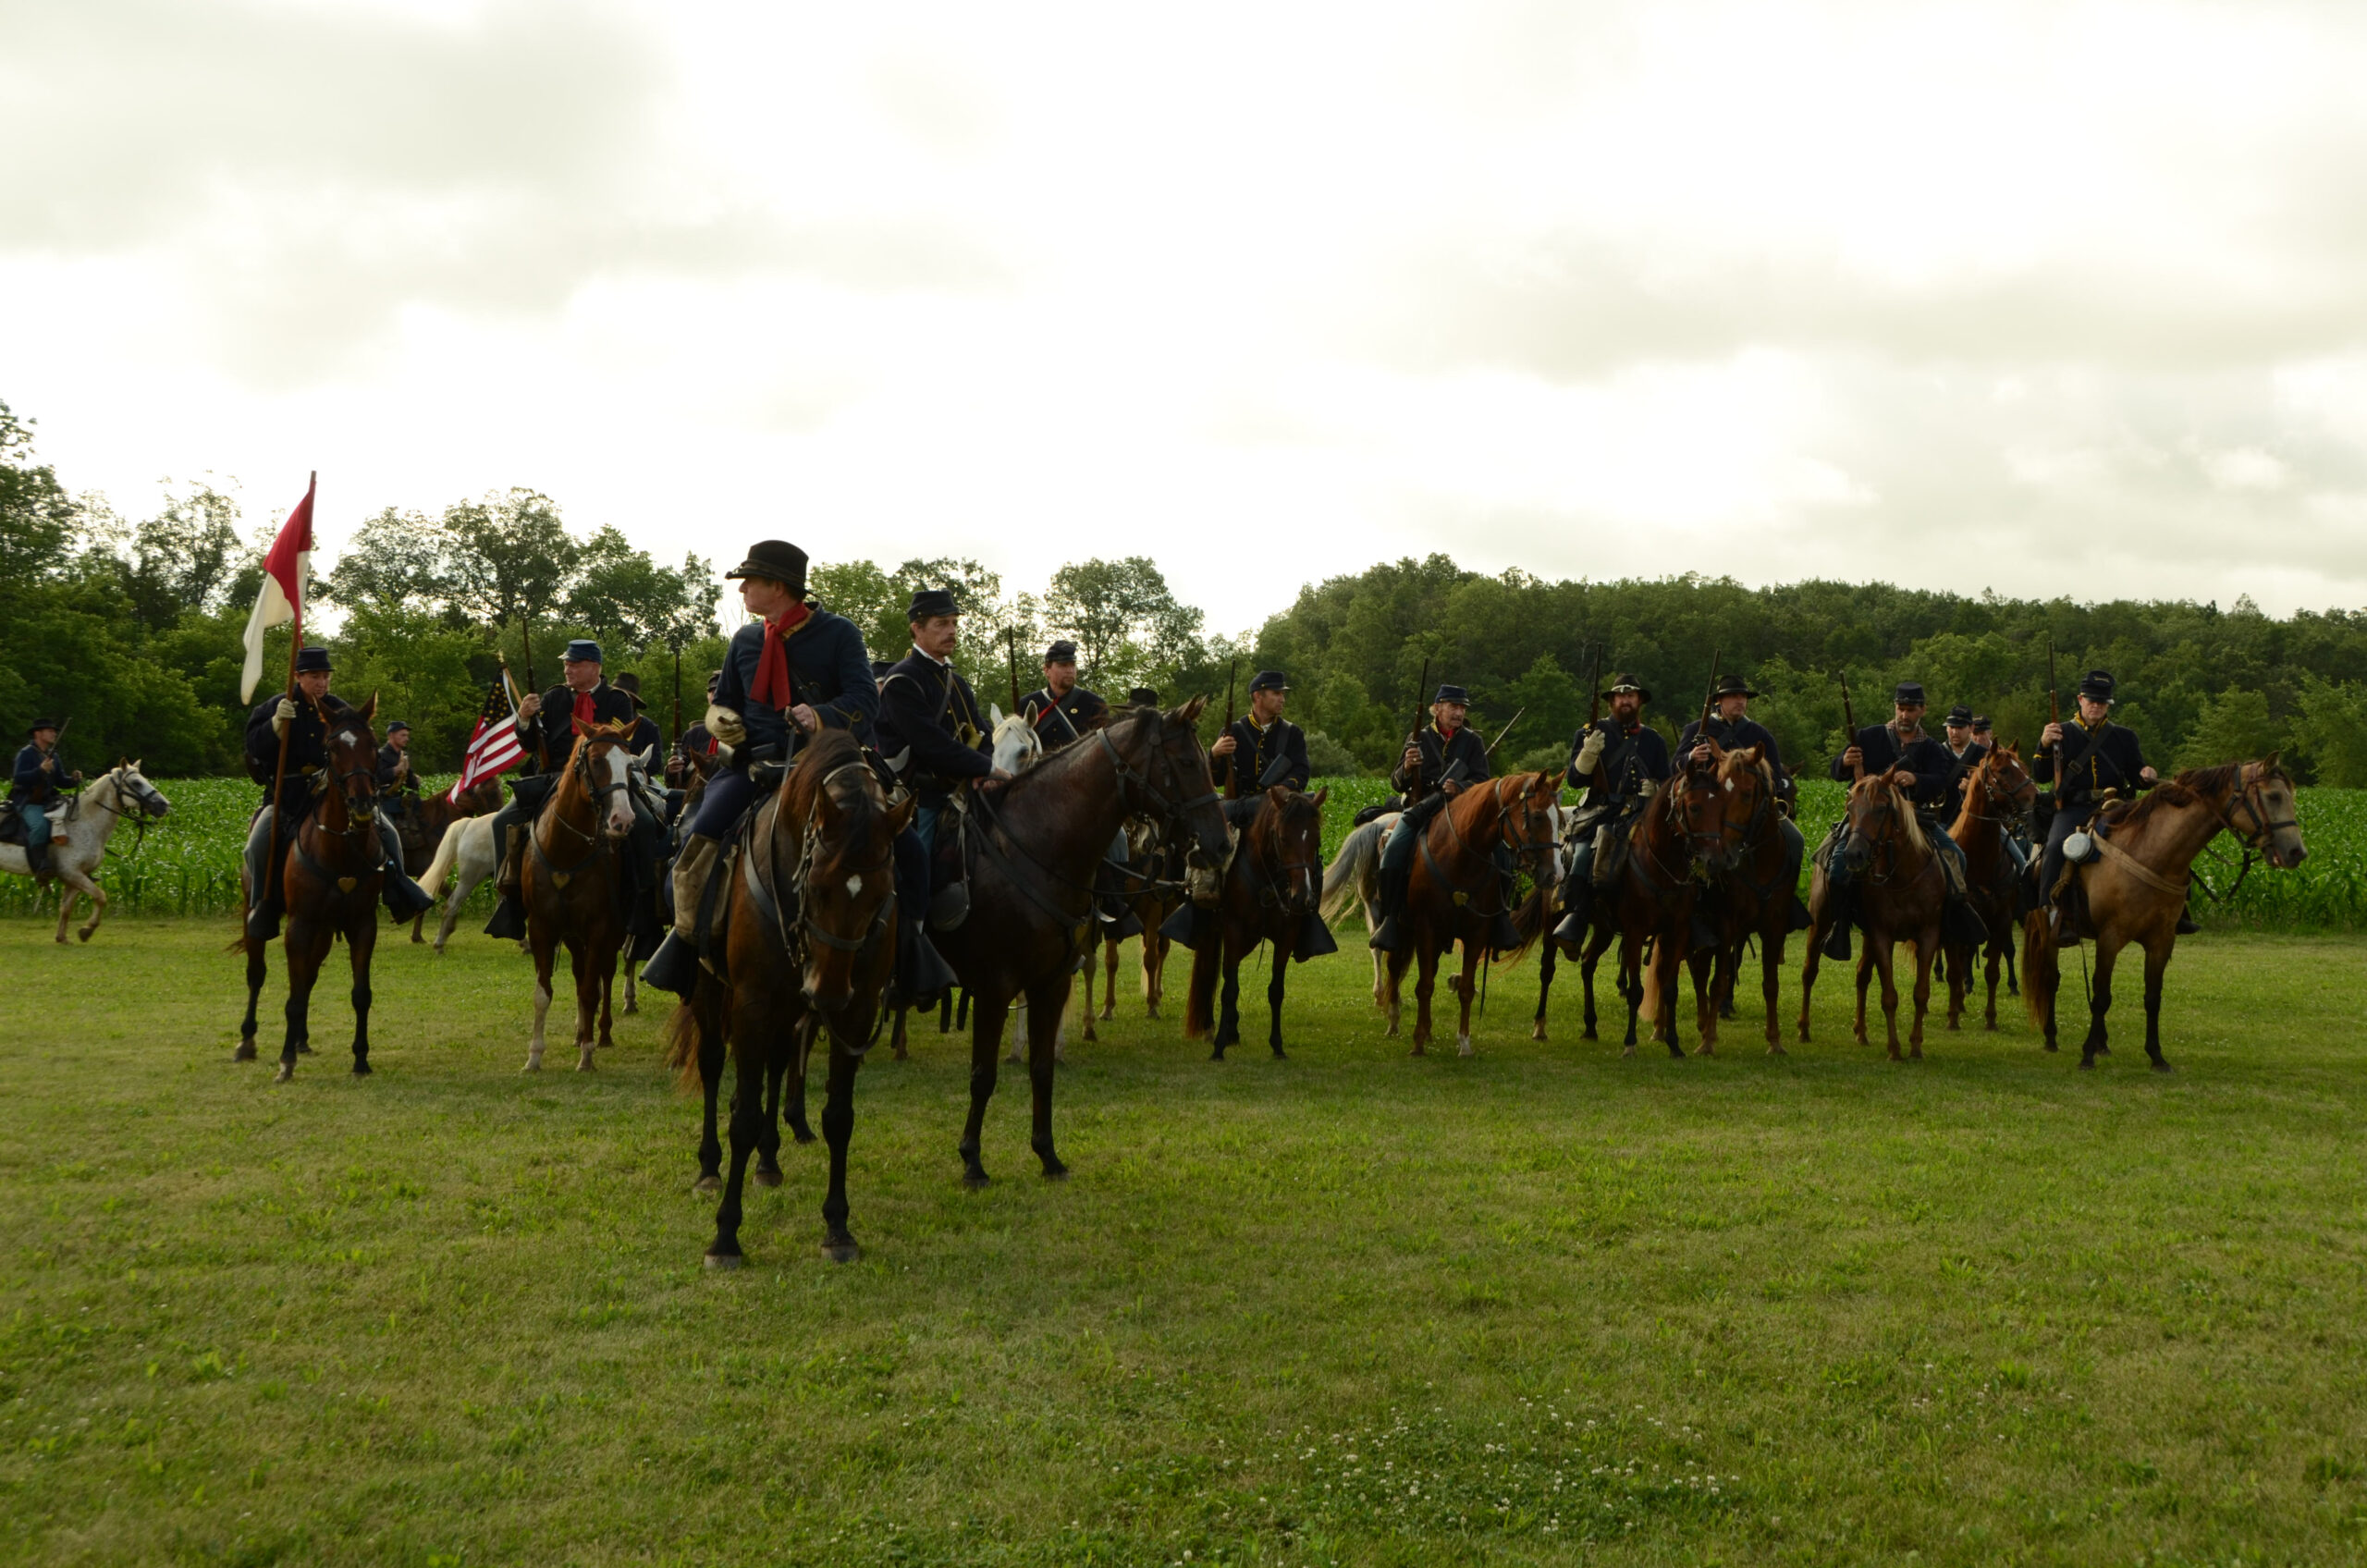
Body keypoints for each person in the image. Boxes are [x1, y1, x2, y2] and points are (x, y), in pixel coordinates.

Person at [643, 541, 909, 995]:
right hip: (752, 766)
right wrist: (719, 721)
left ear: (779, 586)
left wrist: (818, 714)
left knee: (910, 856)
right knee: (695, 839)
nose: (743, 588)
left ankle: (909, 957)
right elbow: (725, 700)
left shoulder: (840, 634)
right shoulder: (745, 640)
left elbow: (866, 702)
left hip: (823, 764)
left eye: (751, 580)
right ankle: (692, 946)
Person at [239, 645, 436, 940]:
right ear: (298, 677)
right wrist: (276, 724)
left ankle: (398, 891)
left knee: (389, 832)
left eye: (325, 677)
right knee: (257, 844)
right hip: (287, 798)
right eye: (314, 676)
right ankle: (261, 905)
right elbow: (254, 751)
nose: (321, 683)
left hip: (329, 795)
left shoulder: (340, 710)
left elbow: (359, 749)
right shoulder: (273, 707)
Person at [481, 639, 663, 946]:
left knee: (644, 823)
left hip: (603, 778)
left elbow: (612, 739)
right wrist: (524, 719)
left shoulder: (617, 700)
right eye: (566, 663)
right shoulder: (553, 697)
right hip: (552, 777)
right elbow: (528, 745)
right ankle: (510, 898)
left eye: (574, 664)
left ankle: (645, 902)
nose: (567, 669)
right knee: (502, 822)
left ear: (594, 667)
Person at [871, 586, 1001, 1003]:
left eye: (954, 623)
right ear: (917, 629)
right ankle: (907, 960)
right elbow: (927, 743)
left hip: (963, 794)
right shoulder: (903, 681)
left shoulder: (957, 681)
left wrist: (984, 765)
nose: (951, 631)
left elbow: (982, 732)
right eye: (941, 624)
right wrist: (982, 767)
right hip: (919, 798)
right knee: (916, 869)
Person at [1820, 680, 1981, 957]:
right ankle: (1841, 924)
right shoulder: (1869, 737)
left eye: (1910, 709)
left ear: (1922, 711)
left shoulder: (1931, 748)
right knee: (1836, 868)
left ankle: (1951, 920)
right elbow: (1837, 770)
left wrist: (1916, 779)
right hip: (1866, 818)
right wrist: (1845, 761)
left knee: (1957, 857)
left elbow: (1941, 780)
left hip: (1913, 819)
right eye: (1900, 708)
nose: (1904, 715)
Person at [1180, 668, 1332, 956]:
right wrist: (1213, 754)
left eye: (1281, 694)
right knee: (1210, 845)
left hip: (1277, 808)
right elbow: (1212, 778)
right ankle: (1199, 901)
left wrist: (1282, 791)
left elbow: (1302, 770)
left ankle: (1308, 908)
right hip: (1239, 808)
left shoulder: (1292, 733)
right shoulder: (1234, 732)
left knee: (1308, 846)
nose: (1281, 699)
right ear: (1257, 696)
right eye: (1276, 694)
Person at [1368, 682, 1508, 953]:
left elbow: (1482, 781)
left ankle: (1501, 919)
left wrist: (1461, 788)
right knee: (1394, 849)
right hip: (1421, 809)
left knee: (1502, 852)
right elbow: (1397, 783)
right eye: (1453, 706)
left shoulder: (1472, 741)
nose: (1459, 712)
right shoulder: (1417, 737)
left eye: (1462, 707)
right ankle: (1391, 918)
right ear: (1437, 709)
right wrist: (1408, 767)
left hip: (1462, 813)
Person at [2034, 668, 2172, 933]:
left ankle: (2176, 909)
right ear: (2080, 700)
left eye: (2101, 702)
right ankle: (2049, 910)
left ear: (2108, 704)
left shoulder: (2124, 736)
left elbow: (2137, 775)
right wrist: (2043, 744)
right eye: (2091, 700)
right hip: (2074, 808)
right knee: (2053, 848)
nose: (2096, 706)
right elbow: (2040, 776)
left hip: (2116, 807)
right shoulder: (2060, 732)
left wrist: (2147, 774)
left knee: (2160, 841)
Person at [1675, 672, 1806, 921]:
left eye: (1743, 696)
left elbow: (1776, 778)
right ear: (1719, 702)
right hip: (1709, 814)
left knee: (1795, 840)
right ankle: (1687, 909)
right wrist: (1692, 757)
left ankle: (1786, 902)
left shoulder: (1760, 734)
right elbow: (1675, 767)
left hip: (1750, 814)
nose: (1740, 701)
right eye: (1733, 696)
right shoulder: (1696, 730)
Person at [1552, 673, 1673, 941]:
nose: (1625, 700)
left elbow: (1666, 782)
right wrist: (1587, 755)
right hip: (1600, 811)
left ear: (1639, 700)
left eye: (1630, 696)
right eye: (1620, 696)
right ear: (1612, 701)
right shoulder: (1590, 733)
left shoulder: (1654, 740)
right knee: (1582, 855)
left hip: (1641, 812)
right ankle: (1576, 915)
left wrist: (1655, 788)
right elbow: (1575, 779)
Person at [10, 719, 79, 878]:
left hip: (48, 801)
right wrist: (40, 770)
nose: (54, 733)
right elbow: (19, 778)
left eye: (54, 731)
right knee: (39, 827)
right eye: (50, 731)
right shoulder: (26, 753)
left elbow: (61, 780)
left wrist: (73, 780)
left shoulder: (53, 755)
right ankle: (41, 866)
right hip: (27, 801)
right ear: (38, 733)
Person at [1020, 640, 1110, 750]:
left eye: (1072, 665)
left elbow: (1102, 749)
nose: (1070, 670)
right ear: (1047, 670)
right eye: (1063, 665)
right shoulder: (1026, 704)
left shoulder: (1095, 705)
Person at [1934, 704, 1986, 830]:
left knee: (2012, 845)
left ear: (1971, 728)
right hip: (1942, 822)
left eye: (1960, 727)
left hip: (1976, 823)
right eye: (1951, 727)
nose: (1955, 732)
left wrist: (1975, 789)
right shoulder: (1935, 753)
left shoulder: (1984, 755)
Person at [611, 673, 666, 758]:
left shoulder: (649, 728)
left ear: (633, 700)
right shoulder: (601, 718)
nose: (617, 699)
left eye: (622, 696)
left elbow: (655, 762)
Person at [374, 719, 419, 825]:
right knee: (388, 829)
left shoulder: (403, 755)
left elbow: (411, 784)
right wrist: (395, 770)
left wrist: (414, 780)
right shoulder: (381, 754)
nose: (406, 739)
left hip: (399, 802)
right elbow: (376, 779)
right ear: (391, 735)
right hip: (383, 802)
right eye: (402, 735)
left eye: (407, 736)